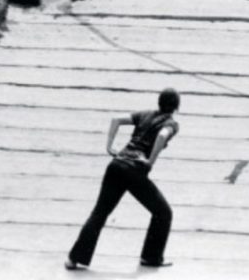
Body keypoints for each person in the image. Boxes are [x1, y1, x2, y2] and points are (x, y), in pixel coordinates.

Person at [66, 88, 180, 271]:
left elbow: (116, 119)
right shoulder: (171, 123)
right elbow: (162, 135)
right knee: (163, 212)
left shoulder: (145, 114)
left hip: (116, 165)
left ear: (159, 102)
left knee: (99, 213)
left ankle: (74, 259)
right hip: (135, 170)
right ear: (176, 107)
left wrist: (109, 146)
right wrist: (150, 161)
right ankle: (150, 257)